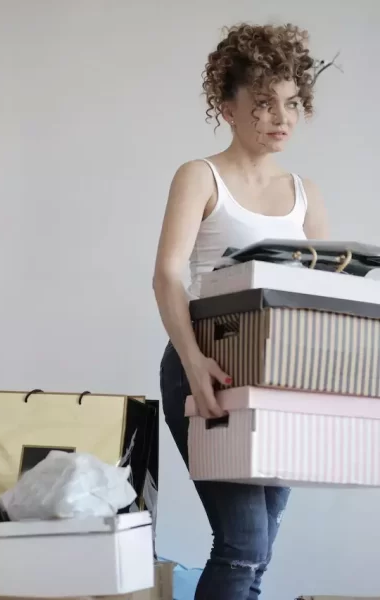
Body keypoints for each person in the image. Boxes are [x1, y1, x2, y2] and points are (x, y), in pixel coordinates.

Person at [152, 23, 330, 600]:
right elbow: (168, 275)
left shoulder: (306, 193)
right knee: (243, 542)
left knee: (258, 550)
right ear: (227, 108)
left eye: (292, 103)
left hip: (280, 378)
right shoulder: (199, 176)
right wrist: (193, 361)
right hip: (208, 364)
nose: (281, 117)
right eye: (262, 104)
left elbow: (321, 296)